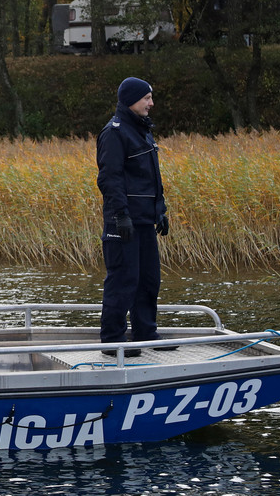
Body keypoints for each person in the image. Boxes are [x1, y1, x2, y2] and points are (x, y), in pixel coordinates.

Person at [95, 77, 173, 357]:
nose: (151, 103)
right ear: (131, 99)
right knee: (123, 280)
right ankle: (113, 340)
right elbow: (109, 178)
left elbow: (152, 176)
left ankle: (146, 332)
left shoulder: (143, 131)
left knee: (149, 279)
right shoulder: (114, 133)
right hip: (122, 222)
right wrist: (120, 215)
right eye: (147, 98)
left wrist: (160, 209)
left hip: (144, 221)